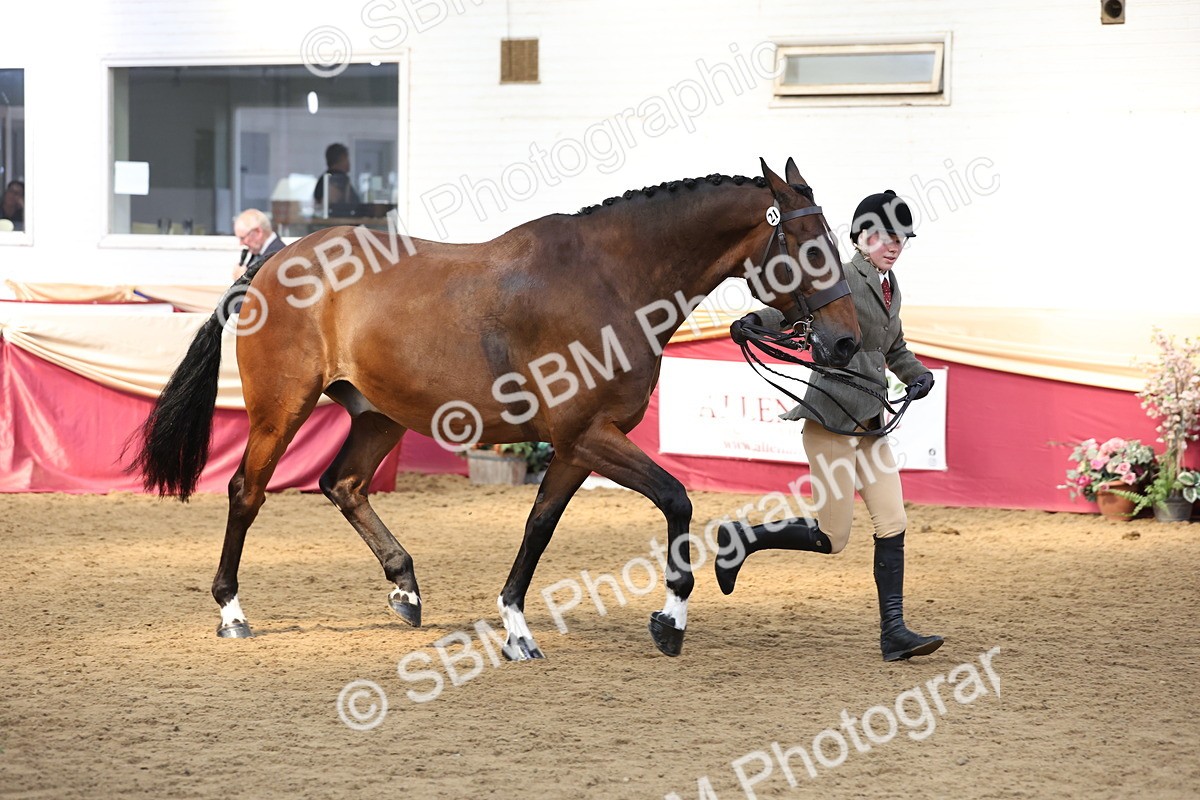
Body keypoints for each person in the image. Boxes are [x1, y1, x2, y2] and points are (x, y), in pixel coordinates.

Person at [717, 189, 943, 663]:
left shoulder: (890, 286)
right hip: (831, 420)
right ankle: (743, 538)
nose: (893, 243)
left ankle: (894, 633)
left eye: (901, 237)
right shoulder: (839, 275)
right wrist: (753, 319)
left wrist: (916, 373)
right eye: (883, 234)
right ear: (860, 237)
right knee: (834, 537)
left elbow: (893, 346)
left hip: (870, 423)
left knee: (893, 521)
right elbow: (788, 310)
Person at [232, 209, 284, 281]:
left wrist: (244, 280)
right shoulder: (258, 252)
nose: (241, 243)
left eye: (242, 238)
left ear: (258, 232)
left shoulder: (279, 256)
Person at [312, 142, 362, 212]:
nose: (349, 163)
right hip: (339, 221)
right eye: (347, 159)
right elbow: (354, 205)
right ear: (342, 158)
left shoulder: (323, 179)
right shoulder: (339, 180)